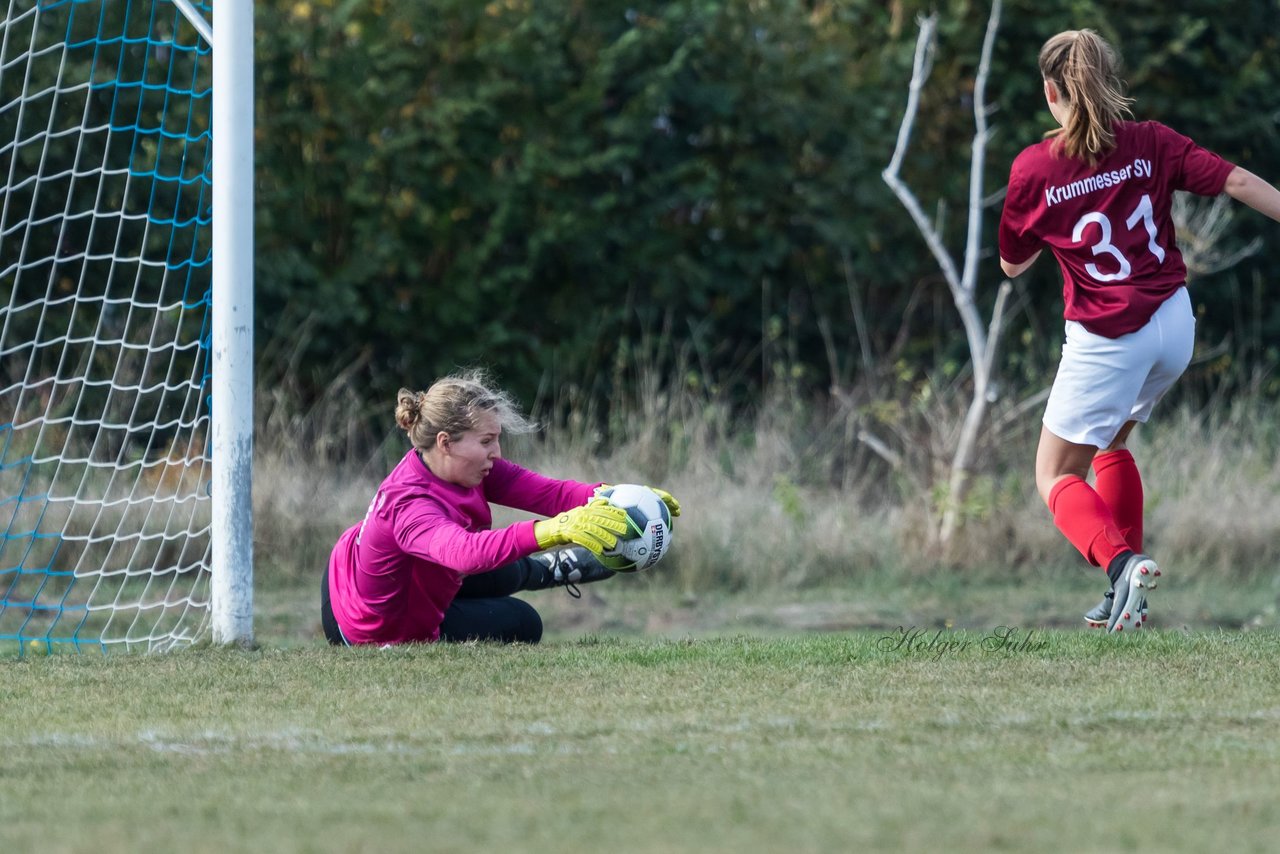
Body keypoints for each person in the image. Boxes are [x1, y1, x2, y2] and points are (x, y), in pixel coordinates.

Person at [998, 29, 1280, 632]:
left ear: (1051, 91)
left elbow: (1012, 263)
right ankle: (1123, 595)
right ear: (1110, 81)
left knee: (1054, 475)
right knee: (1111, 446)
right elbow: (1236, 181)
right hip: (1173, 325)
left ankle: (1123, 564)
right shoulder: (1150, 141)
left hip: (1108, 337)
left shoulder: (1034, 168)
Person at [321, 370, 681, 646]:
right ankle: (547, 567)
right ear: (446, 443)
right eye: (487, 441)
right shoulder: (410, 504)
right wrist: (557, 530)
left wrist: (620, 497)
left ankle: (552, 570)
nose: (497, 452)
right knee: (523, 623)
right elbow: (464, 553)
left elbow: (551, 494)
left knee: (504, 567)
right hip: (372, 630)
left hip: (348, 570)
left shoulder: (462, 465)